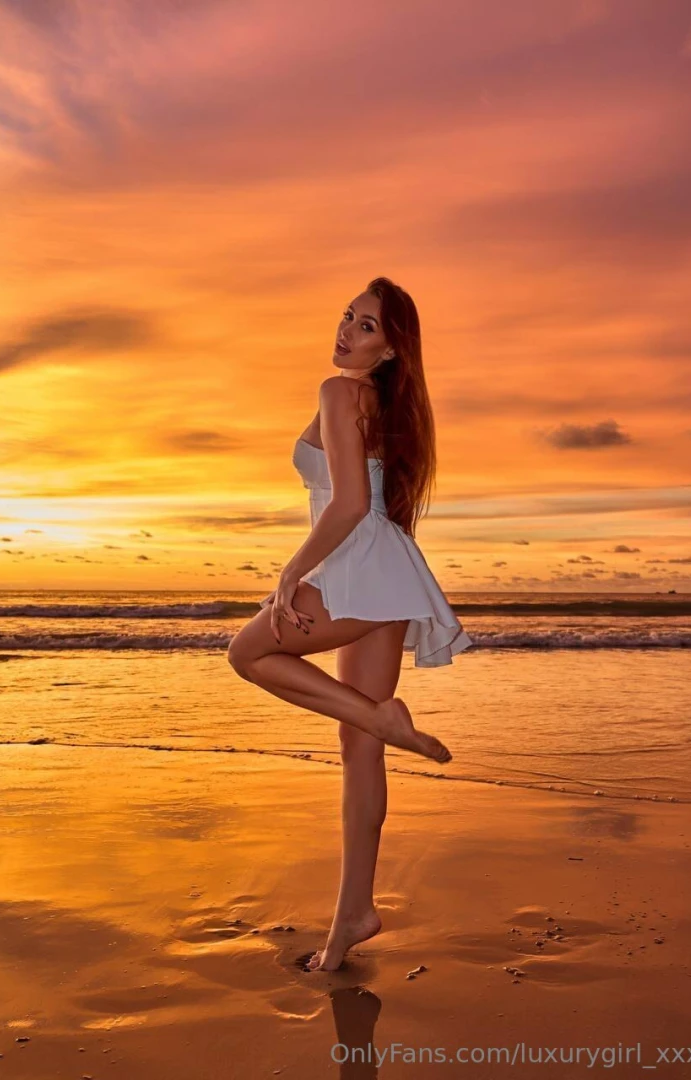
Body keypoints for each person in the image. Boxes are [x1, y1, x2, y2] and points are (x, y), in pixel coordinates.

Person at [227, 276, 472, 970]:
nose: (346, 331)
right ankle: (351, 921)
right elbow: (366, 502)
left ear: (392, 349)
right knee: (358, 748)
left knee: (247, 655)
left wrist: (288, 573)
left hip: (353, 564)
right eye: (347, 316)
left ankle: (383, 720)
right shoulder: (381, 404)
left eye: (366, 327)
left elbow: (346, 505)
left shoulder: (339, 393)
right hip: (383, 570)